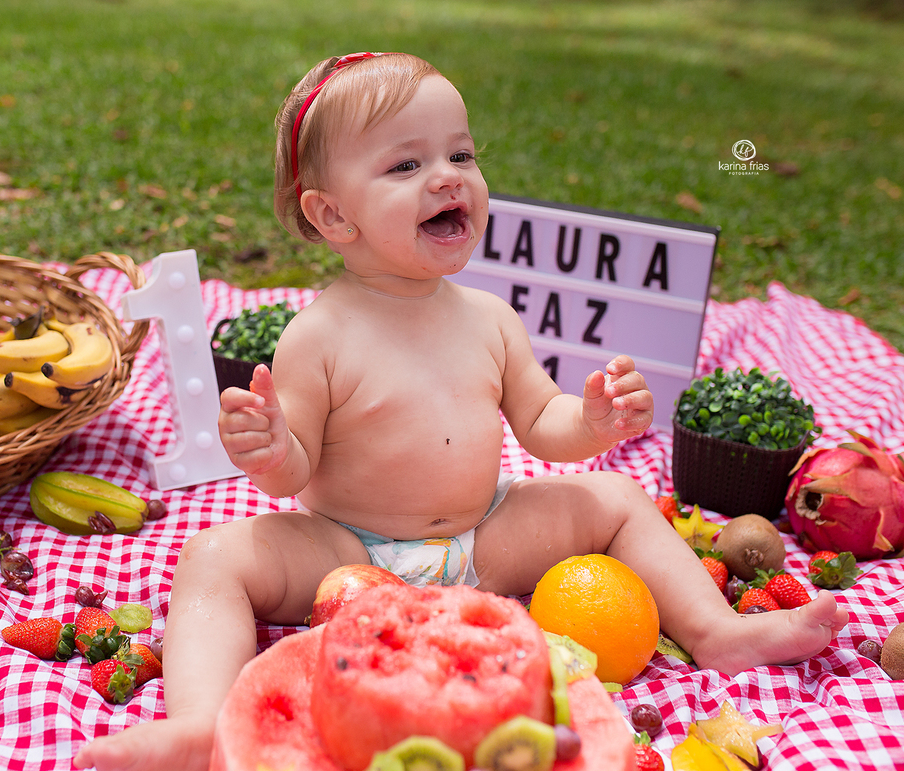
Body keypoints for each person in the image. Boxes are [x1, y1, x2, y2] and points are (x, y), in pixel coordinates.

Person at [74, 52, 848, 771]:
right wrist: (272, 447)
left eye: (462, 155)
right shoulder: (318, 334)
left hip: (486, 540)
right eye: (407, 165)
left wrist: (592, 423)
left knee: (615, 496)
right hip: (348, 554)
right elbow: (291, 476)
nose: (448, 177)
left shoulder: (490, 318)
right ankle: (203, 722)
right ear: (334, 216)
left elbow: (542, 426)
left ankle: (715, 632)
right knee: (214, 556)